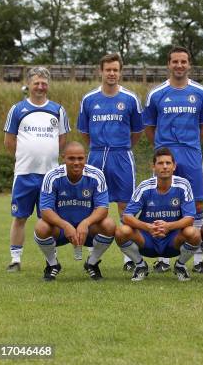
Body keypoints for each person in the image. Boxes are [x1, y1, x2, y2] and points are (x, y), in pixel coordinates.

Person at [143, 46, 203, 274]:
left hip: (191, 154)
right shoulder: (156, 93)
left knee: (198, 204)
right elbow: (149, 127)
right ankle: (163, 257)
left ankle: (198, 259)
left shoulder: (201, 93)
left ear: (189, 64)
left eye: (183, 61)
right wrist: (163, 149)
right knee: (162, 202)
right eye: (175, 61)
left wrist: (190, 146)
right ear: (168, 64)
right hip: (165, 155)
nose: (179, 65)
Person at [77, 53, 143, 269]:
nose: (112, 73)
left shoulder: (130, 99)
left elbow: (136, 132)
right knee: (93, 205)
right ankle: (92, 254)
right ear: (101, 71)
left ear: (120, 72)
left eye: (115, 69)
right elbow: (85, 133)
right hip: (96, 155)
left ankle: (128, 258)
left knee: (126, 207)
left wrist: (122, 148)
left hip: (122, 156)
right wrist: (97, 147)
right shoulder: (89, 99)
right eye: (108, 70)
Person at [3, 66, 70, 272]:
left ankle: (51, 260)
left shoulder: (58, 110)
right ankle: (15, 259)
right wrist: (26, 156)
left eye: (44, 83)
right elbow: (9, 141)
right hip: (24, 174)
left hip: (49, 176)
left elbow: (62, 141)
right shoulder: (17, 109)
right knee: (20, 217)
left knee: (48, 220)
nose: (40, 87)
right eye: (36, 83)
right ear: (29, 85)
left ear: (48, 85)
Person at [115, 147, 202, 282]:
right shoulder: (145, 186)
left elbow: (190, 218)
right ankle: (140, 265)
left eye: (168, 163)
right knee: (122, 232)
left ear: (174, 166)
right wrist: (148, 227)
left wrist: (168, 226)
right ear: (153, 167)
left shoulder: (183, 185)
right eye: (160, 163)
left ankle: (180, 265)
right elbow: (126, 216)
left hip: (172, 241)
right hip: (147, 239)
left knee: (194, 233)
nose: (165, 167)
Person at [33, 142, 116, 281]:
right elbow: (45, 210)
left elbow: (103, 209)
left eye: (80, 158)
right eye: (71, 158)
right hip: (61, 230)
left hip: (87, 230)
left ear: (86, 158)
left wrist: (85, 223)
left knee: (109, 225)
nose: (76, 162)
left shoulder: (96, 175)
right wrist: (65, 226)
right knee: (41, 226)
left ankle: (92, 263)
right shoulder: (52, 176)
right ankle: (52, 264)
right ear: (63, 158)